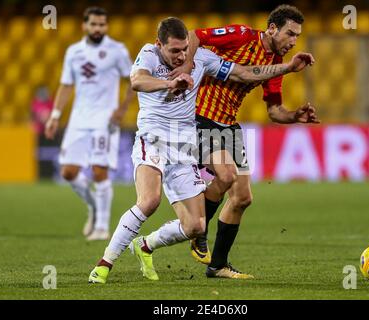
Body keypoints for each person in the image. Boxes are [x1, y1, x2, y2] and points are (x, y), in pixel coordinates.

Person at [88, 16, 314, 283]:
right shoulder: (148, 54)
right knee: (151, 201)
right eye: (175, 50)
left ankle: (156, 246)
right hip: (160, 137)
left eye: (185, 50)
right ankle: (104, 264)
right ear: (159, 43)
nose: (182, 55)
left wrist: (287, 69)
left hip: (190, 143)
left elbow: (243, 74)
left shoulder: (203, 60)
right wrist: (170, 82)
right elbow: (138, 81)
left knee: (205, 219)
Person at [169, 4, 320, 278]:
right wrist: (189, 66)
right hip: (200, 116)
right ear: (272, 28)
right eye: (290, 33)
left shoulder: (276, 64)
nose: (293, 41)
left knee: (242, 198)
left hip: (229, 124)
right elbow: (194, 34)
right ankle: (197, 230)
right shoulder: (241, 35)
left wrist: (294, 116)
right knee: (226, 175)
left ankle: (217, 265)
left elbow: (274, 111)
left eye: (297, 36)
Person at [44, 7, 134, 241]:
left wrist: (122, 109)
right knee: (68, 172)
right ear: (84, 26)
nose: (98, 28)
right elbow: (66, 85)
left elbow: (133, 80)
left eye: (102, 24)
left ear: (106, 26)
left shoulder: (117, 50)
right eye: (93, 24)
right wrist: (55, 115)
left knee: (99, 170)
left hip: (105, 119)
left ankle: (102, 227)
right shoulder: (73, 52)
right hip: (78, 119)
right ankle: (93, 206)